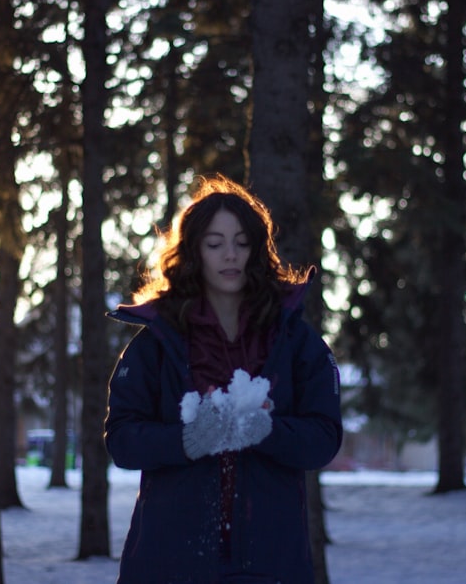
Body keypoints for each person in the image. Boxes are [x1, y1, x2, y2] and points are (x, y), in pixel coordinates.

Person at [104, 174, 343, 584]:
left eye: (241, 242)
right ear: (194, 250)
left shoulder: (295, 340)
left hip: (271, 564)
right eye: (215, 243)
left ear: (257, 249)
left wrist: (268, 430)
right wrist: (187, 439)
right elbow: (122, 440)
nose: (230, 255)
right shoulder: (156, 341)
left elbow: (323, 438)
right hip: (170, 564)